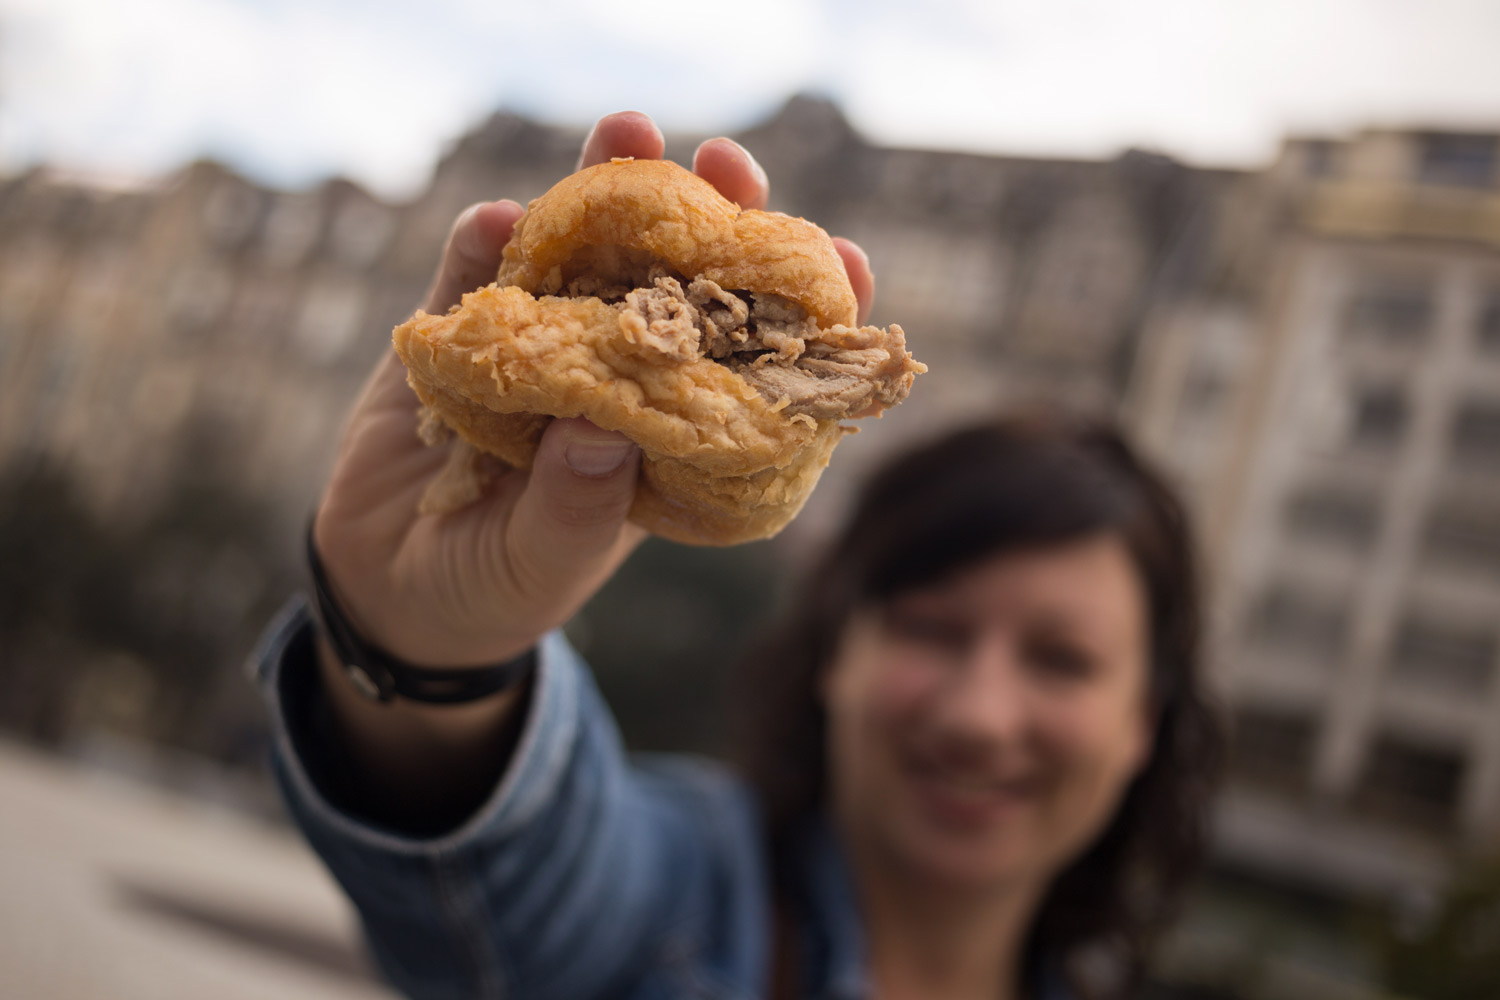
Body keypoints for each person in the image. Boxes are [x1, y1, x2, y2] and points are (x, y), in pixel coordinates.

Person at [251, 111, 1224, 1000]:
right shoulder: (675, 904)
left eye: (1060, 659)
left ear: (1144, 717)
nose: (977, 713)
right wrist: (425, 654)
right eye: (932, 627)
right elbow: (505, 887)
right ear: (839, 646)